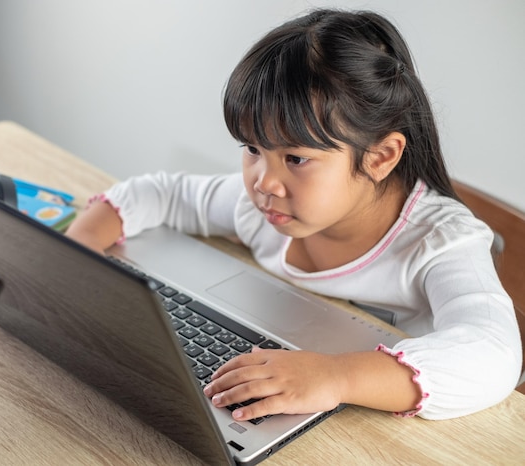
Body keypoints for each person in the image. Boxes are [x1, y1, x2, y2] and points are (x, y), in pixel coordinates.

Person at [65, 8, 522, 421]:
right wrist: (77, 254)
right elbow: (159, 193)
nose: (264, 181)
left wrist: (336, 377)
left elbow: (493, 353)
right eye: (252, 149)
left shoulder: (439, 242)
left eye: (295, 158)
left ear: (380, 157)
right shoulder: (261, 203)